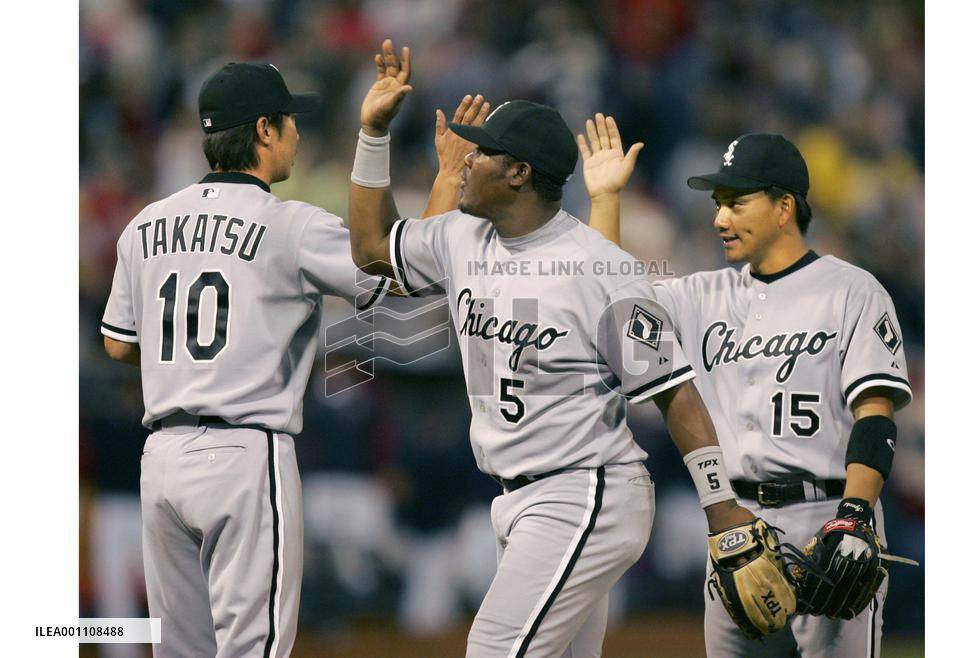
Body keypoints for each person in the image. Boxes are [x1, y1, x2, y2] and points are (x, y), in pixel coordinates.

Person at [348, 39, 757, 658]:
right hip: (518, 496)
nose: (465, 159)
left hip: (585, 491)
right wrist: (374, 134)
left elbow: (674, 392)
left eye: (482, 153)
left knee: (494, 648)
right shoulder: (462, 237)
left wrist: (720, 505)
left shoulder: (602, 269)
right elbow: (372, 249)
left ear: (518, 173)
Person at [582, 118, 912, 657]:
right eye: (718, 204)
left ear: (784, 207)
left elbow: (875, 414)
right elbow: (608, 305)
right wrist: (606, 200)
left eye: (736, 203)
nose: (719, 218)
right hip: (735, 526)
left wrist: (855, 515)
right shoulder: (698, 295)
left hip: (828, 518)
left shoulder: (852, 291)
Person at [99, 61, 392, 658]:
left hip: (161, 460)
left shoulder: (144, 224)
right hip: (242, 454)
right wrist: (382, 144)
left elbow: (118, 344)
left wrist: (188, 369)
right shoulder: (291, 223)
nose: (297, 133)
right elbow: (387, 273)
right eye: (289, 121)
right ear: (263, 129)